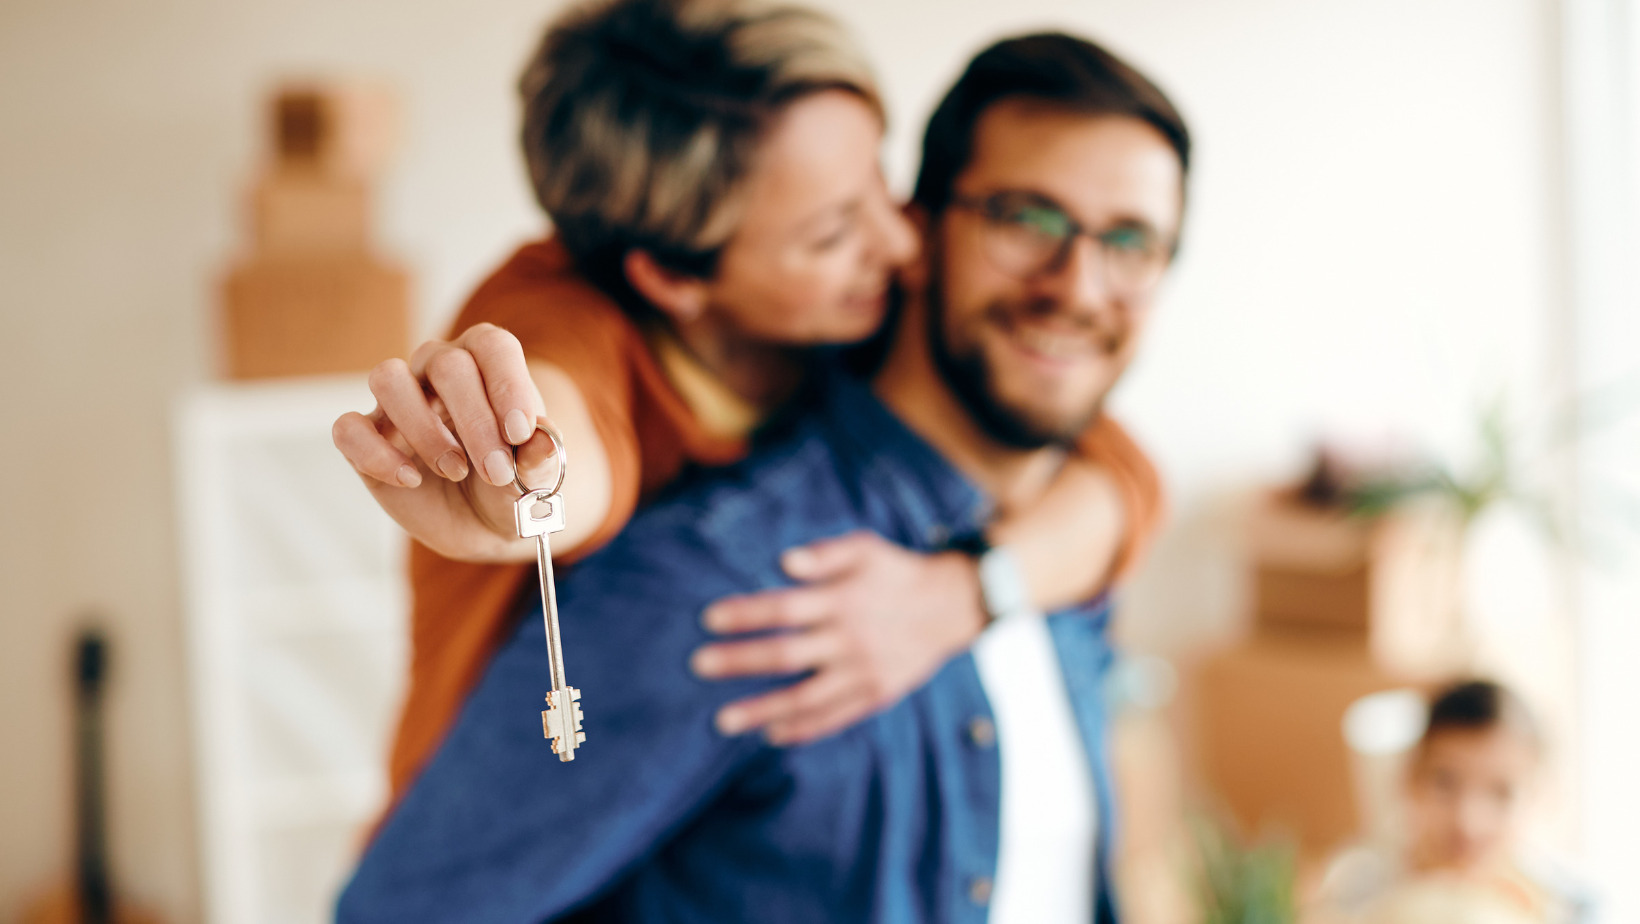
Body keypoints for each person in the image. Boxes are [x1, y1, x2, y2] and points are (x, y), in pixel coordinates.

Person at [339, 27, 1190, 923]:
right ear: (671, 277)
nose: (894, 241)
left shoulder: (1038, 480)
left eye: (1134, 242)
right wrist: (521, 487)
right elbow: (568, 423)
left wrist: (978, 588)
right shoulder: (717, 572)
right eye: (1025, 217)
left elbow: (1130, 477)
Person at [1311, 680, 1593, 924]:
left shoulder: (1568, 907)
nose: (1468, 821)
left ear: (1537, 797)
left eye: (1501, 793)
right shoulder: (1353, 890)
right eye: (1445, 784)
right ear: (1410, 778)